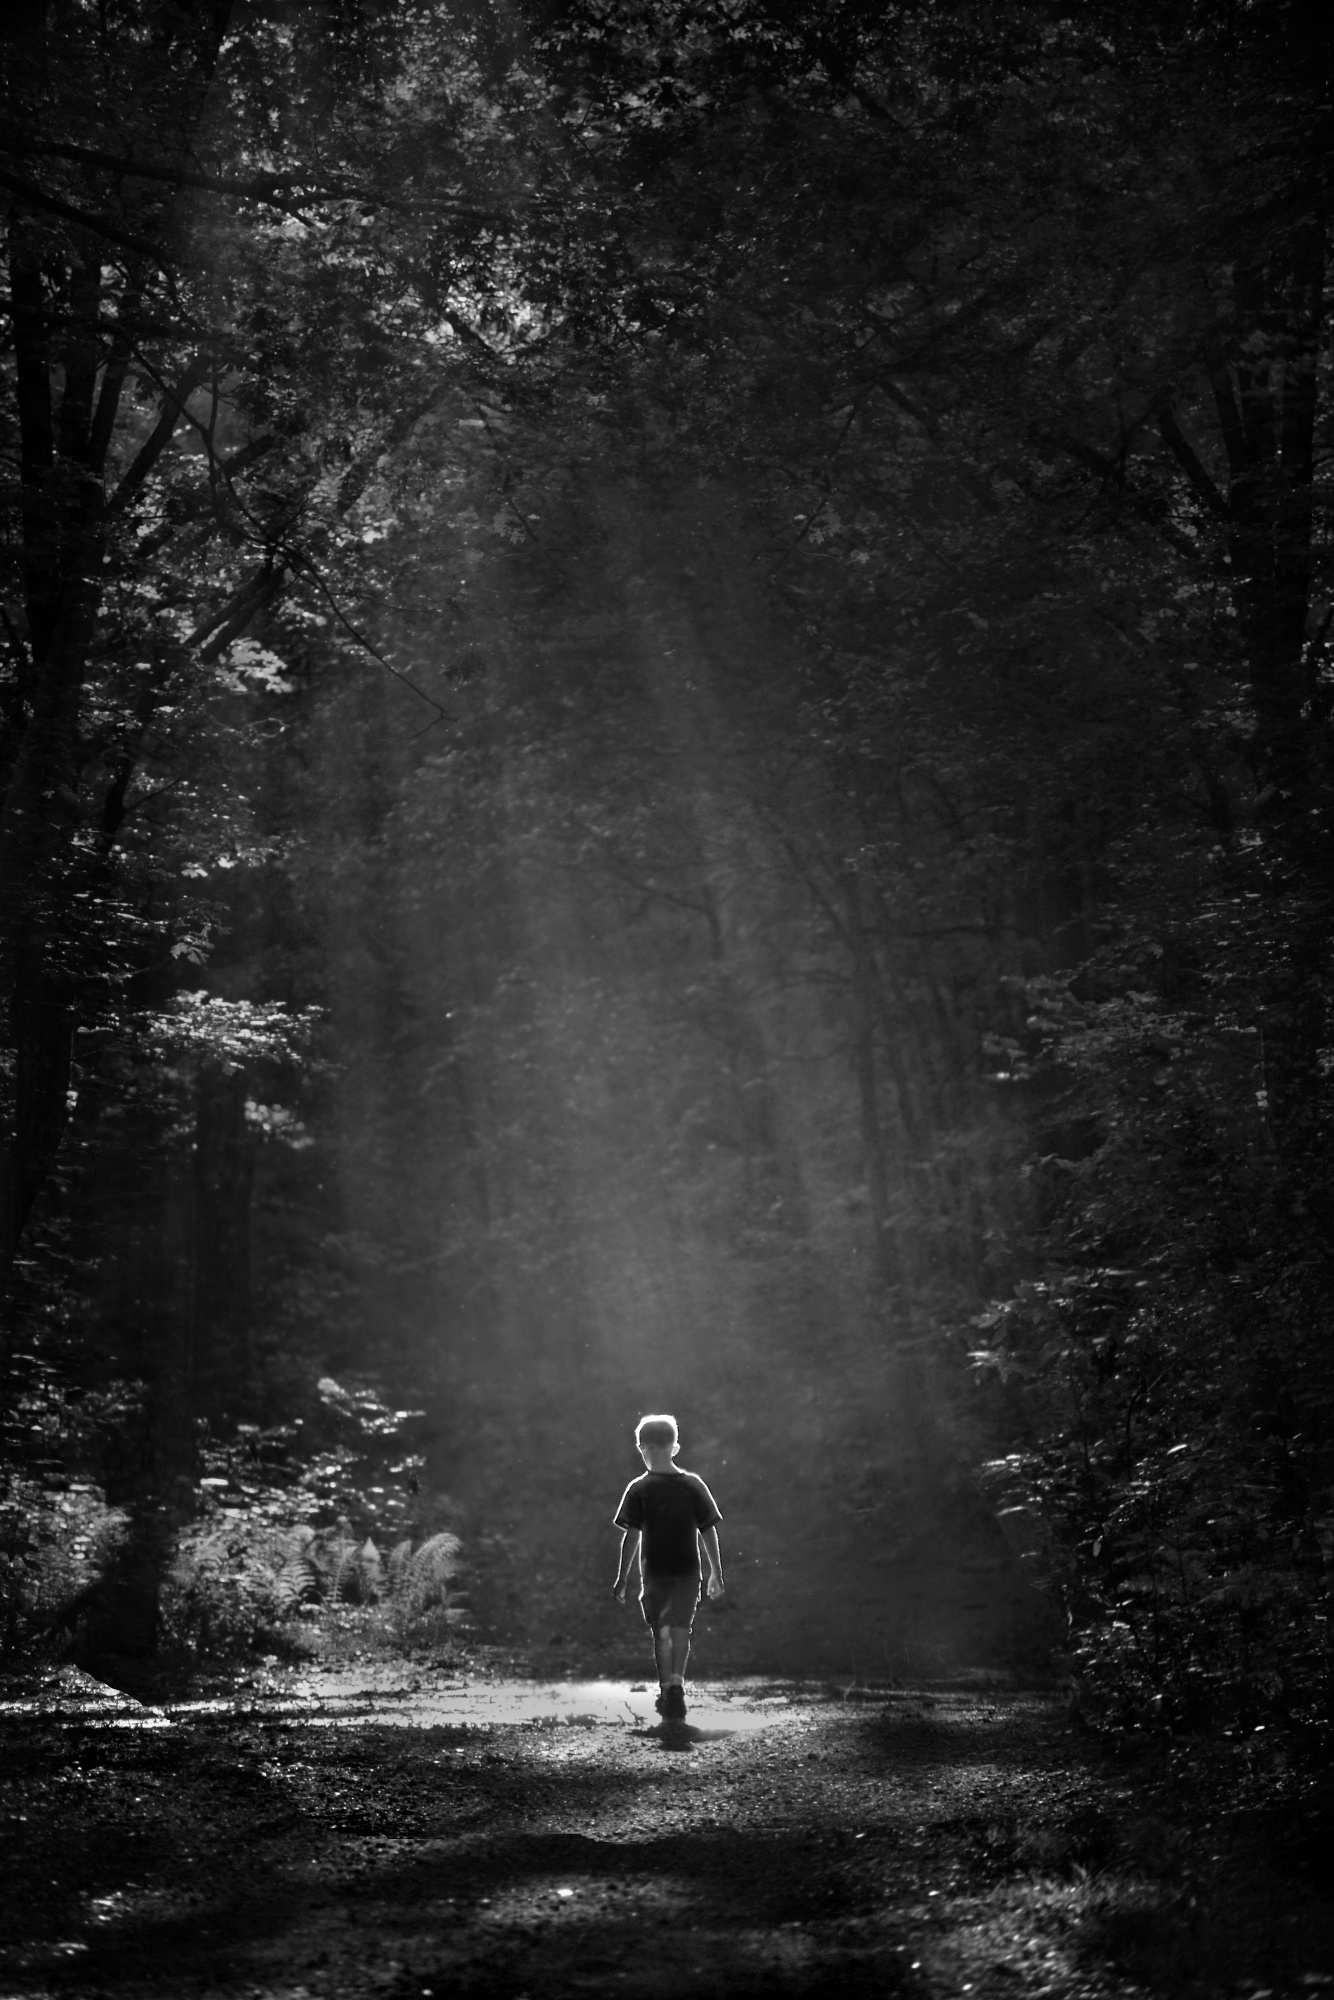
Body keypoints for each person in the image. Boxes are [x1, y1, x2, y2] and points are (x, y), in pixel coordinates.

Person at [612, 1412, 724, 1720]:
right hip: (683, 1572)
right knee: (678, 1629)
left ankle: (669, 1687)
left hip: (659, 1573)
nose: (650, 1453)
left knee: (663, 1630)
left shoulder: (641, 1488)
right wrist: (716, 1572)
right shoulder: (690, 1485)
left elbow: (632, 1536)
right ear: (674, 1447)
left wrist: (623, 1578)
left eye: (651, 1448)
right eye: (648, 1448)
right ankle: (674, 1685)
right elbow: (708, 1530)